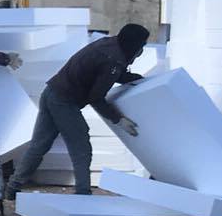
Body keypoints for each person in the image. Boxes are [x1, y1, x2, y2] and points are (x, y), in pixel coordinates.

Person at [8, 23, 151, 195]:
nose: (142, 50)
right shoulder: (113, 60)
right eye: (142, 45)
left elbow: (110, 73)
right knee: (81, 149)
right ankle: (83, 193)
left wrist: (135, 79)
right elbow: (96, 98)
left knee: (38, 146)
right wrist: (118, 119)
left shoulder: (111, 45)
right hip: (64, 101)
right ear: (134, 45)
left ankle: (12, 187)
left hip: (51, 92)